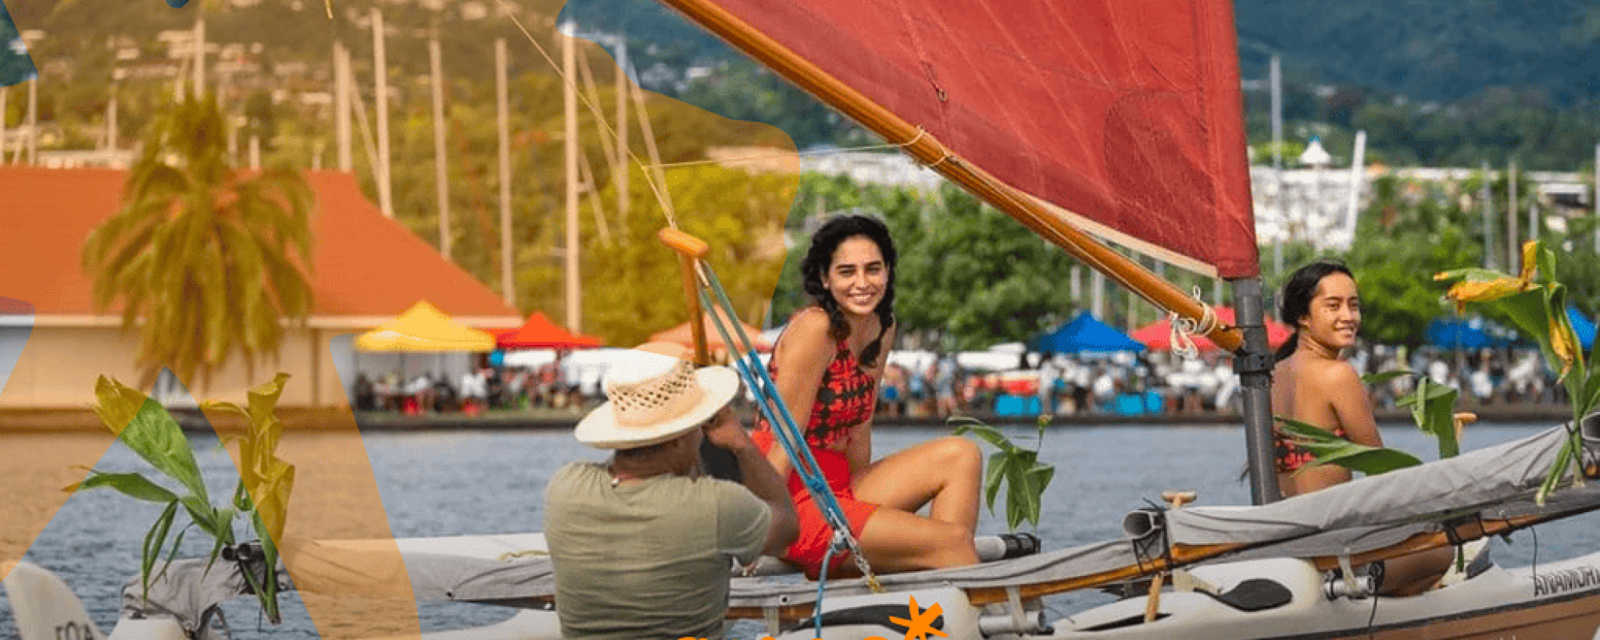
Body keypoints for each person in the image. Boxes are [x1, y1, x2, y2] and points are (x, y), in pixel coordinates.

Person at [752, 214, 999, 579]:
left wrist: (865, 513)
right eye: (847, 272)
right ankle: (952, 602)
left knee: (962, 455)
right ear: (825, 278)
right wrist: (756, 521)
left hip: (840, 484)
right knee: (952, 543)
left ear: (888, 271)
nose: (862, 283)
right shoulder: (816, 328)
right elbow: (785, 437)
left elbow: (860, 426)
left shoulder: (881, 325)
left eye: (873, 269)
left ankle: (923, 589)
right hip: (792, 493)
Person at [544, 344, 798, 640]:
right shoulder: (718, 504)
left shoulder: (565, 487)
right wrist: (742, 445)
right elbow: (786, 526)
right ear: (680, 438)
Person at [1270, 260, 1453, 596]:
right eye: (1333, 306)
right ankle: (1370, 600)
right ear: (1302, 317)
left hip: (1290, 543)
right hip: (1332, 549)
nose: (1349, 316)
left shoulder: (1273, 374)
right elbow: (1381, 471)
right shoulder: (1338, 374)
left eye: (1354, 306)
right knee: (1444, 549)